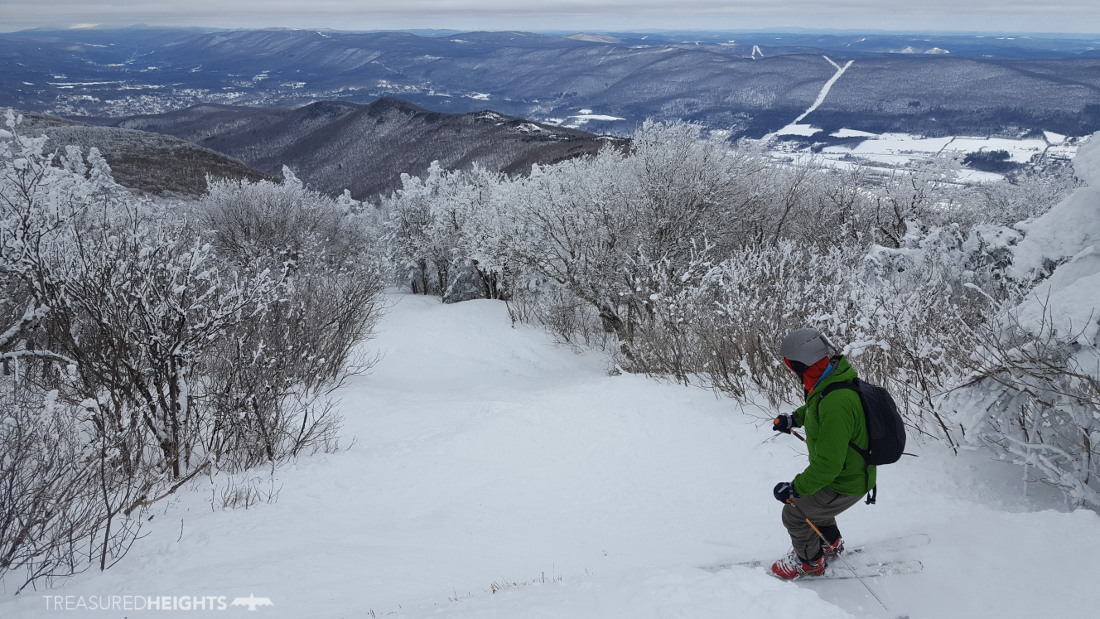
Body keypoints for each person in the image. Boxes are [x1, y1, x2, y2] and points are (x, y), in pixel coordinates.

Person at [768, 327, 875, 579]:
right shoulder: (831, 381)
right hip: (846, 473)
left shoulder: (837, 401)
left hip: (845, 480)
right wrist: (794, 419)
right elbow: (815, 407)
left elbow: (828, 465)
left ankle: (809, 562)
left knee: (795, 512)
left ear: (801, 362)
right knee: (815, 505)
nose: (791, 370)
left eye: (791, 365)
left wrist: (795, 489)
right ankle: (830, 544)